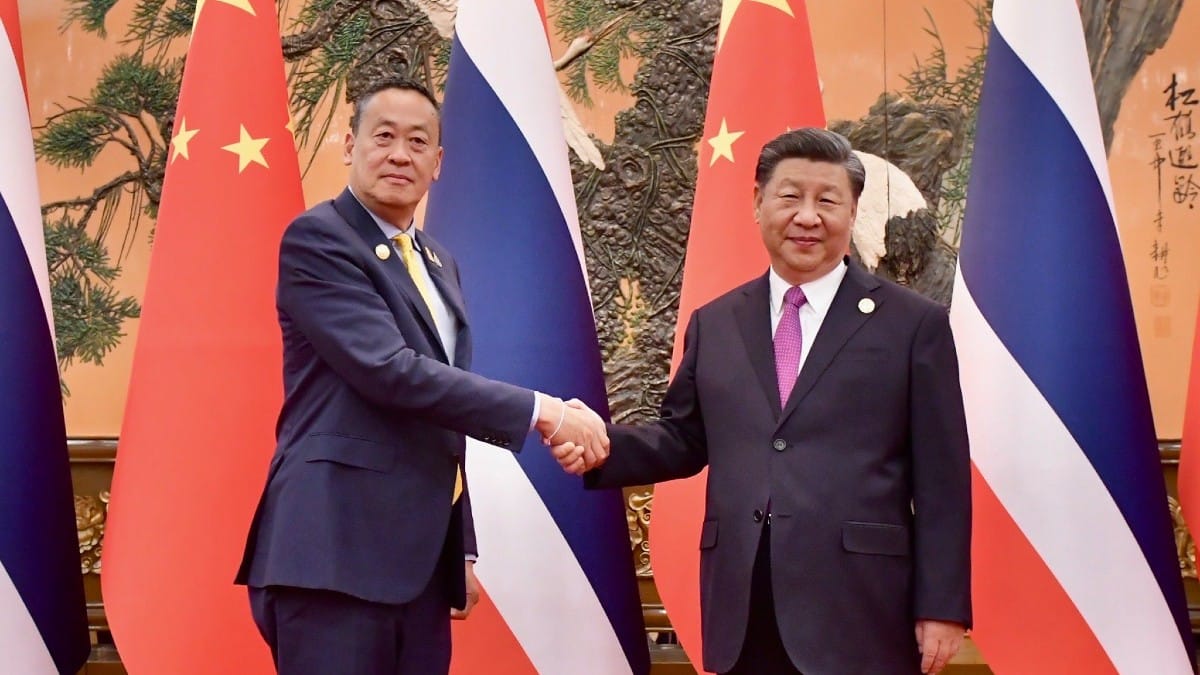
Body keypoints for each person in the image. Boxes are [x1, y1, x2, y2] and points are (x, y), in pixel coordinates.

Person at [555, 127, 971, 674]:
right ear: (757, 203)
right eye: (790, 196)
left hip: (862, 606)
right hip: (745, 599)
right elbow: (683, 438)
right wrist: (601, 445)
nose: (807, 216)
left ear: (853, 212)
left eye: (827, 201)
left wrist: (942, 606)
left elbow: (942, 478)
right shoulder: (717, 322)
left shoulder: (913, 325)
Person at [235, 77, 608, 675]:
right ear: (350, 145)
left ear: (438, 163)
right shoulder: (319, 238)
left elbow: (442, 415)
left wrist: (460, 546)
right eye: (383, 137)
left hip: (418, 567)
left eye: (417, 142)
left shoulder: (439, 262)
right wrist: (545, 412)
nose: (399, 155)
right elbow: (391, 373)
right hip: (332, 552)